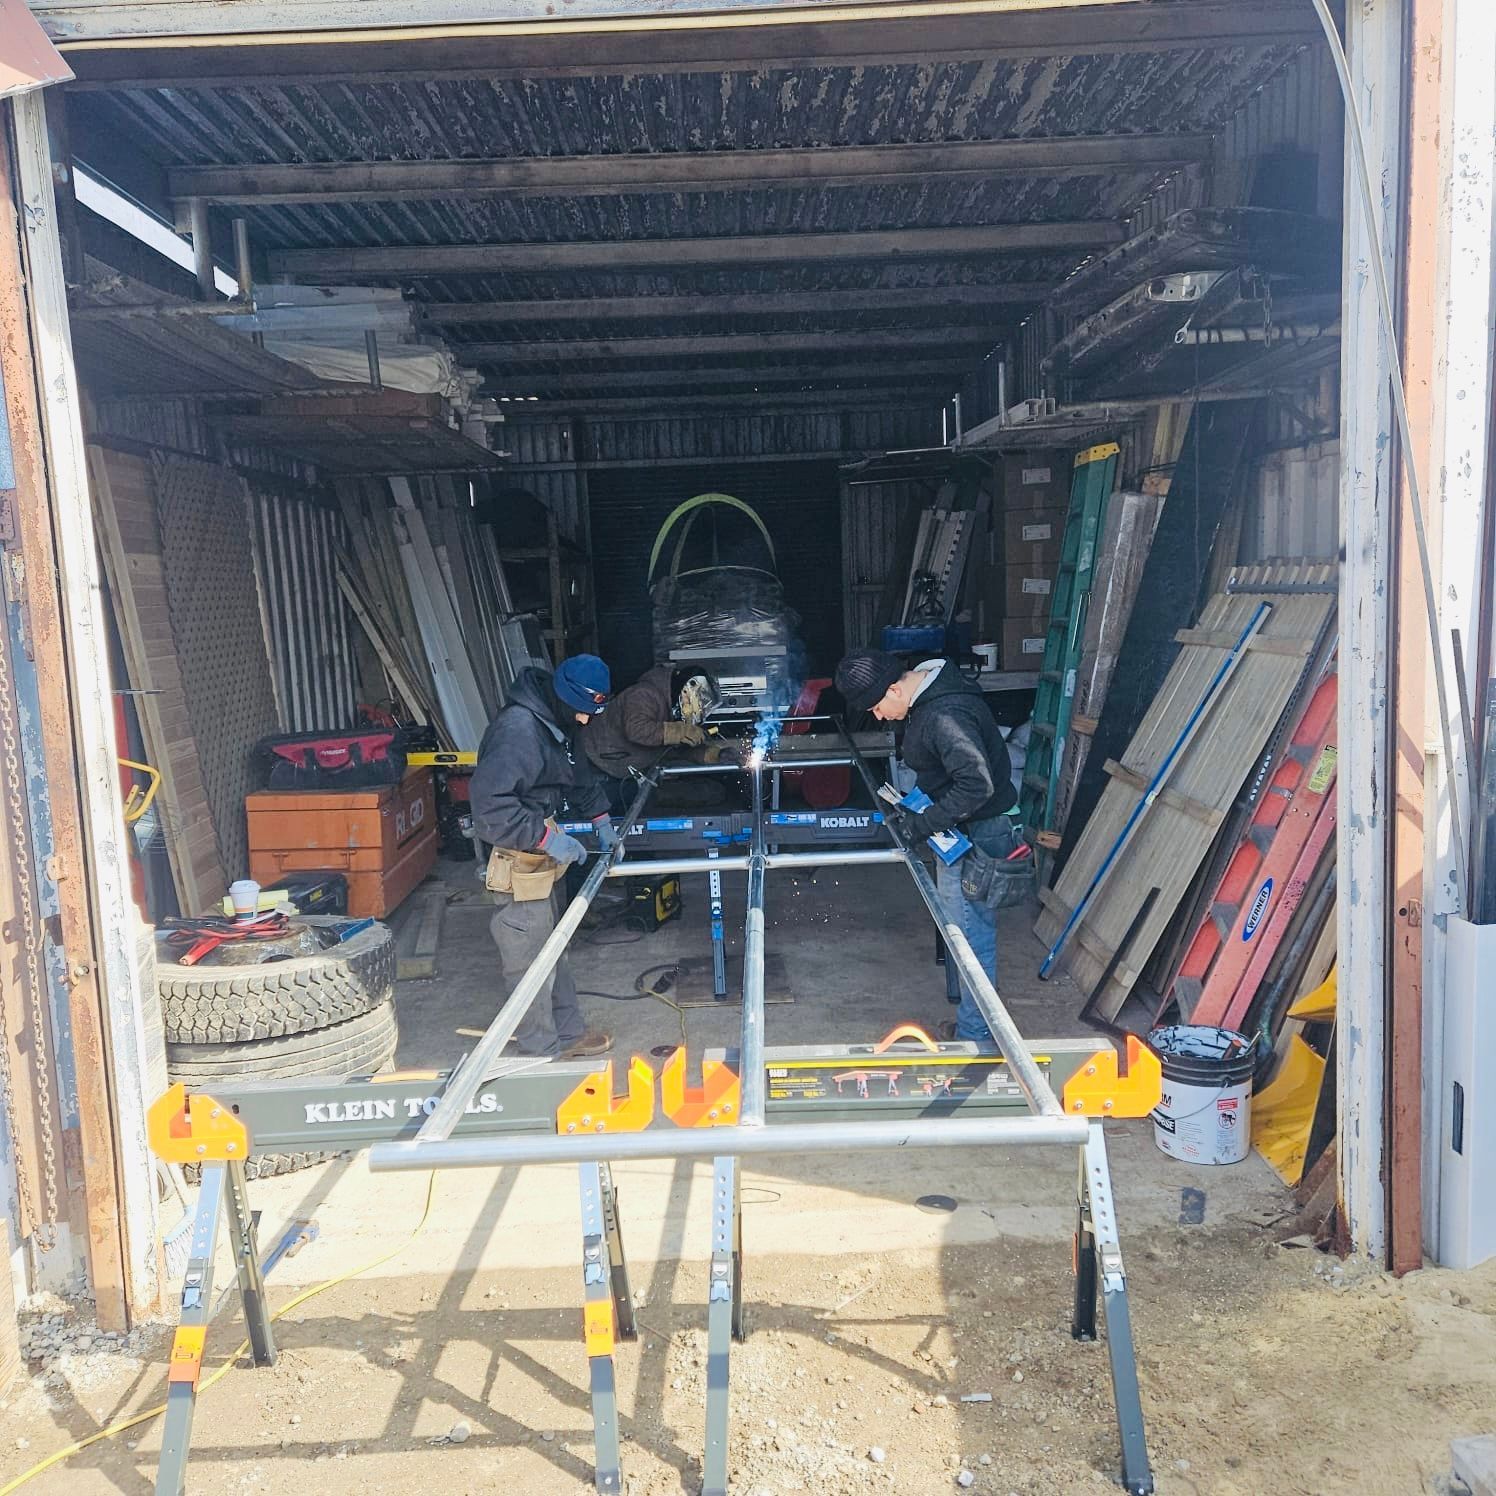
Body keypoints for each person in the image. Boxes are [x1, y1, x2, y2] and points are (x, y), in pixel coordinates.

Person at [833, 649, 1019, 1043]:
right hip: (963, 828)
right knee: (966, 933)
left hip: (974, 835)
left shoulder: (944, 715)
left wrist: (923, 823)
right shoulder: (930, 700)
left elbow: (977, 785)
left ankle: (976, 1037)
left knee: (970, 940)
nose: (879, 717)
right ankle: (975, 1027)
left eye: (877, 707)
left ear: (895, 690)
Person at [470, 654, 617, 1058]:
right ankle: (541, 1049)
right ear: (564, 698)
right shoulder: (518, 731)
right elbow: (490, 808)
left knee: (554, 945)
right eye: (582, 712)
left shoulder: (561, 720)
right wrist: (546, 839)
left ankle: (567, 1034)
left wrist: (602, 819)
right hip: (516, 852)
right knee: (528, 957)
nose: (585, 721)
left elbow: (577, 775)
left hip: (539, 849)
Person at [582, 666, 721, 810]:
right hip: (598, 768)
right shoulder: (644, 694)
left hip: (625, 768)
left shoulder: (670, 709)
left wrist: (711, 755)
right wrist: (680, 731)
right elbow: (636, 730)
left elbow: (672, 750)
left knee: (710, 790)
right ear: (686, 691)